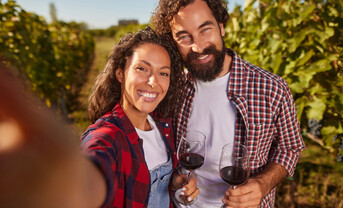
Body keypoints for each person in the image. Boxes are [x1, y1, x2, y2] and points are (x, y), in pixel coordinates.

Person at [0, 27, 199, 208]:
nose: (153, 81)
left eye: (163, 73)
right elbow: (94, 172)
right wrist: (65, 189)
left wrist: (174, 182)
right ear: (120, 73)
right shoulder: (107, 135)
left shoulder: (162, 124)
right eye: (142, 68)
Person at [151, 0, 306, 208]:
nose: (198, 46)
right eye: (184, 37)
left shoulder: (272, 88)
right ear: (174, 42)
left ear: (221, 27)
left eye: (206, 29)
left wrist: (263, 184)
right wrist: (177, 182)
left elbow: (289, 148)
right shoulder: (171, 89)